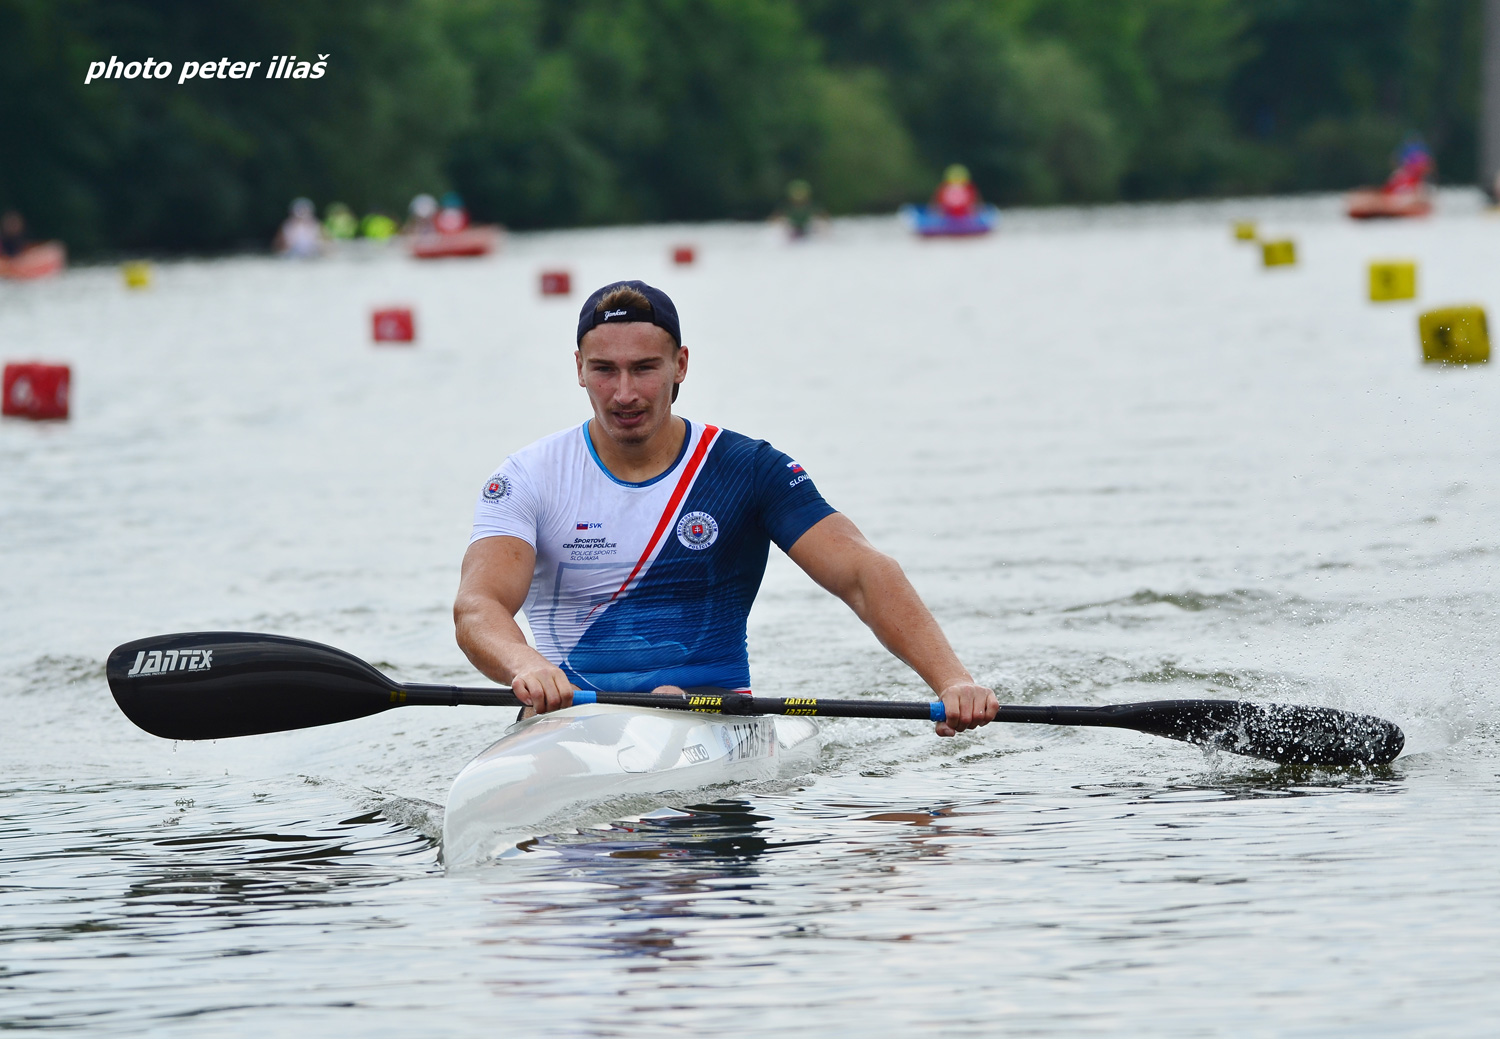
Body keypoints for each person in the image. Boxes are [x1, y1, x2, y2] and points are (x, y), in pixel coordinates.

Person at [453, 280, 999, 737]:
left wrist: (951, 681)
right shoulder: (528, 477)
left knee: (670, 703)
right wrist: (526, 665)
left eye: (644, 368)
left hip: (711, 717)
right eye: (604, 370)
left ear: (681, 365)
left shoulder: (746, 469)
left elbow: (861, 573)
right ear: (578, 368)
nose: (624, 393)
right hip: (569, 717)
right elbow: (479, 606)